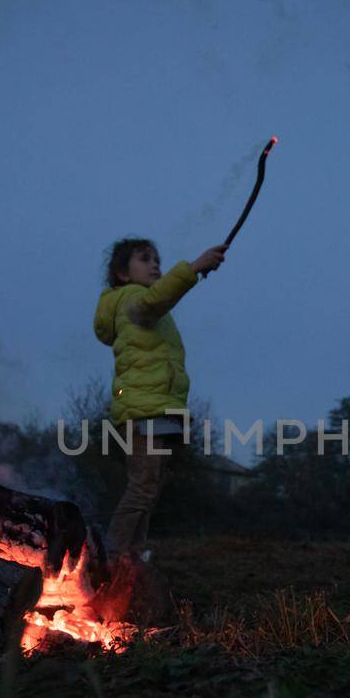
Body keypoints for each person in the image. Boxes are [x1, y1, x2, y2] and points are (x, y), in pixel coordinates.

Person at [93, 236, 226, 555]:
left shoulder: (140, 302)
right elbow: (155, 301)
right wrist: (193, 268)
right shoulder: (131, 299)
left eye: (157, 259)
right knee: (142, 486)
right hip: (144, 413)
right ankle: (112, 557)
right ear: (123, 274)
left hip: (155, 411)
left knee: (149, 486)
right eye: (144, 258)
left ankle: (131, 556)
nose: (155, 264)